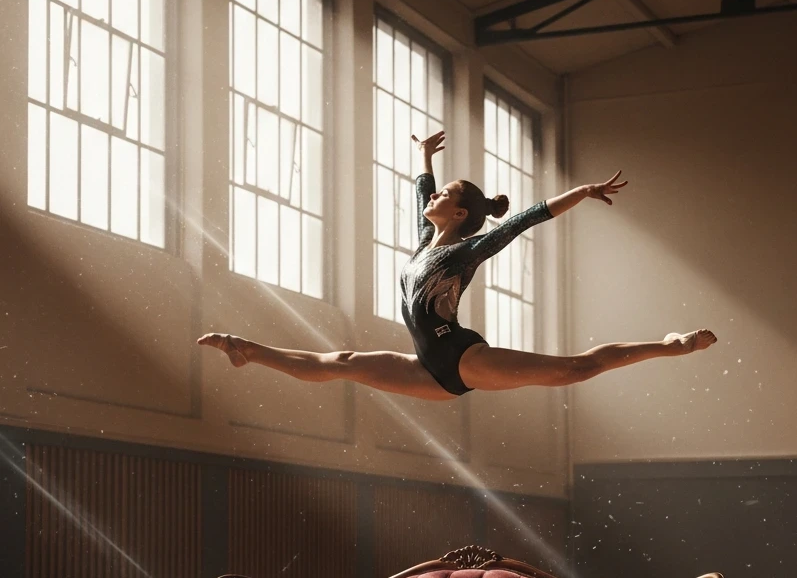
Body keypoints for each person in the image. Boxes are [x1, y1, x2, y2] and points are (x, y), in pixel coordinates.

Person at [199, 130, 716, 401]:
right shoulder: (428, 241)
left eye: (446, 194)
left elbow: (522, 222)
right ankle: (247, 351)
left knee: (575, 368)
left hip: (460, 355)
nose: (434, 196)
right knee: (343, 363)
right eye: (439, 192)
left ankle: (671, 346)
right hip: (430, 370)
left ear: (462, 213)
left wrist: (580, 192)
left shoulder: (466, 250)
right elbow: (425, 194)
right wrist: (425, 160)